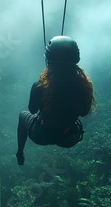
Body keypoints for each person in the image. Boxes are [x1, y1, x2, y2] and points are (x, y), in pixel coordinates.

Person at [16, 35, 95, 165]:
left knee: (22, 115)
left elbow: (32, 109)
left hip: (41, 134)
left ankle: (20, 151)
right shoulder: (84, 86)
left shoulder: (39, 86)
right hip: (68, 138)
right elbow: (84, 113)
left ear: (49, 60)